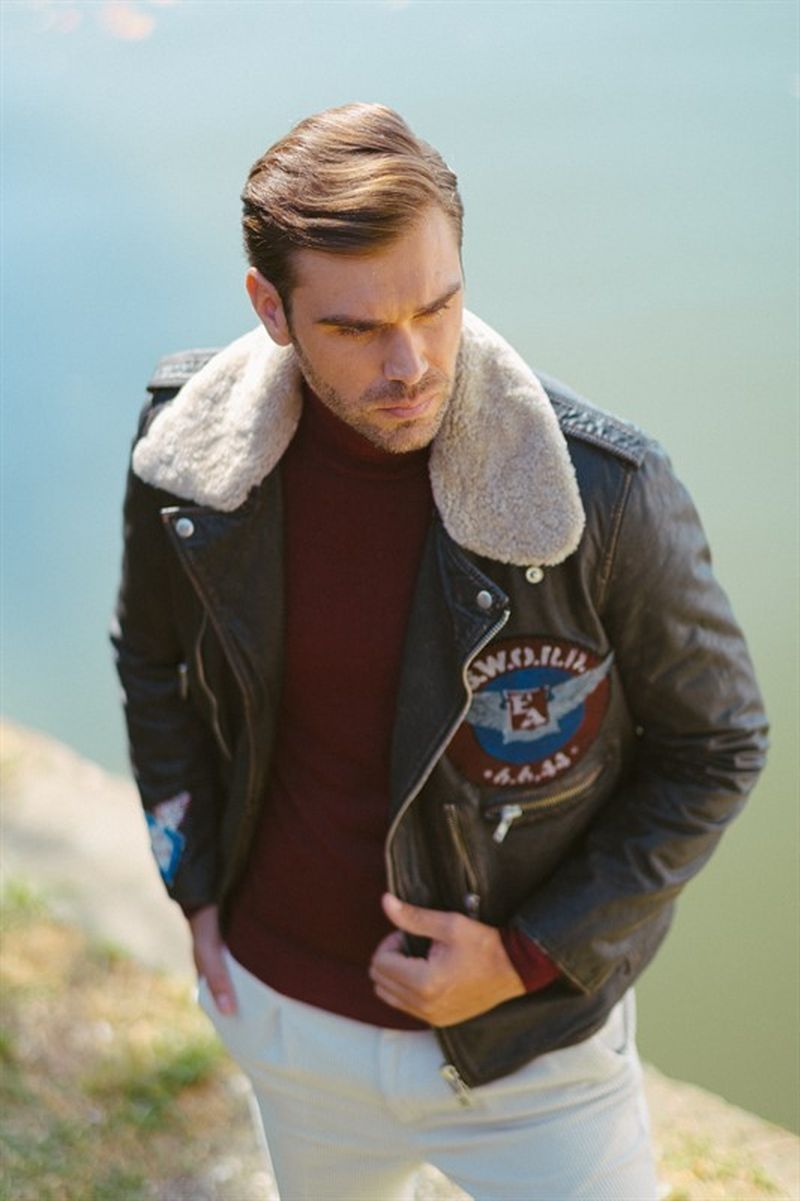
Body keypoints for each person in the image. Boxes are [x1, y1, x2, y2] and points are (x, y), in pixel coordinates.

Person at [111, 103, 768, 1201]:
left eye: (437, 304)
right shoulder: (185, 458)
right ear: (270, 308)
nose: (410, 362)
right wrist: (195, 888)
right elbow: (151, 662)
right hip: (286, 1018)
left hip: (529, 1049)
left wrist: (526, 955)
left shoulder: (604, 494)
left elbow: (718, 748)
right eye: (356, 327)